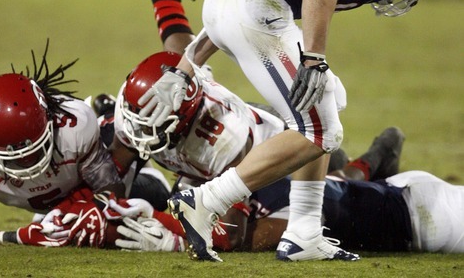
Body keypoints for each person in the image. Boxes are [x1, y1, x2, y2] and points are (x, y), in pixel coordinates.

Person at [135, 0, 450, 262]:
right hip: (254, 6)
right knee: (321, 131)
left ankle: (304, 232)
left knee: (329, 97)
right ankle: (207, 201)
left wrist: (185, 68)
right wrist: (313, 58)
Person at [118, 126, 464, 254]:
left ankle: (372, 161)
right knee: (330, 183)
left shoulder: (234, 179)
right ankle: (374, 160)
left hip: (421, 212)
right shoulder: (224, 176)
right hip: (407, 203)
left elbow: (248, 238)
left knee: (327, 181)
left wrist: (181, 240)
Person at [0, 41, 126, 247]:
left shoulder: (74, 125)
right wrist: (15, 237)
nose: (25, 160)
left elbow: (111, 188)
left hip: (82, 183)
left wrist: (88, 212)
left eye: (34, 150)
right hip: (52, 204)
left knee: (149, 195)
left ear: (49, 121)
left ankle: (109, 118)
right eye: (14, 157)